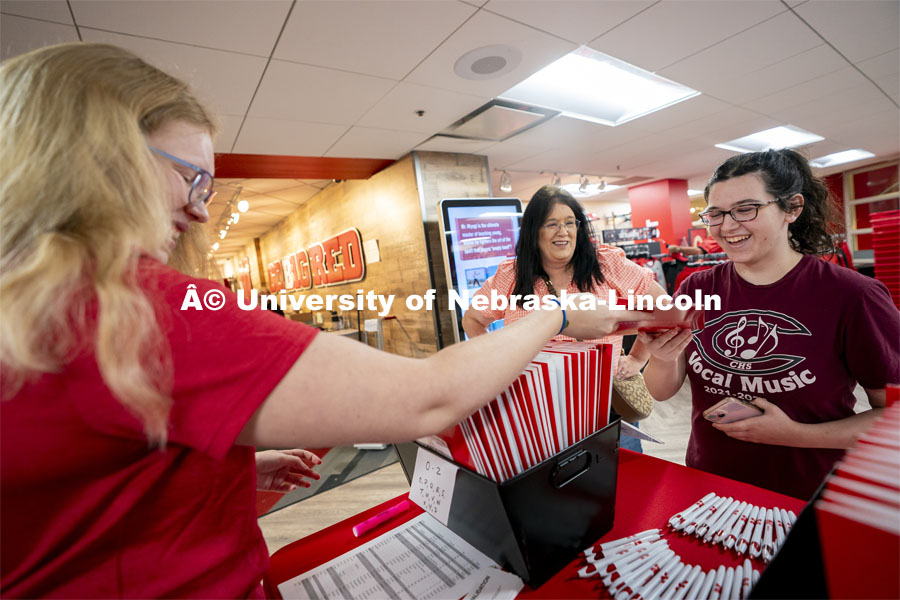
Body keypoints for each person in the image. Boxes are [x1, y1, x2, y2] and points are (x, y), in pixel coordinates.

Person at [0, 43, 647, 598]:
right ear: (97, 160)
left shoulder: (36, 309)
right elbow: (427, 400)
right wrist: (556, 313)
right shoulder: (142, 308)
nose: (200, 213)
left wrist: (214, 472)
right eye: (191, 179)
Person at [641, 148, 900, 499]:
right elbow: (660, 391)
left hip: (808, 496)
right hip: (709, 489)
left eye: (746, 209)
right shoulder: (697, 288)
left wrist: (793, 434)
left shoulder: (853, 296)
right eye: (715, 214)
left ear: (792, 208)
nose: (727, 226)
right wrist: (662, 357)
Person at [461, 185, 668, 451]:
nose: (563, 232)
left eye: (570, 223)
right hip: (535, 409)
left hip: (604, 406)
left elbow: (663, 308)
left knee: (620, 482)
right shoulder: (511, 276)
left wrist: (638, 358)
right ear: (534, 231)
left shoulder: (606, 265)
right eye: (552, 224)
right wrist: (495, 365)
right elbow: (473, 320)